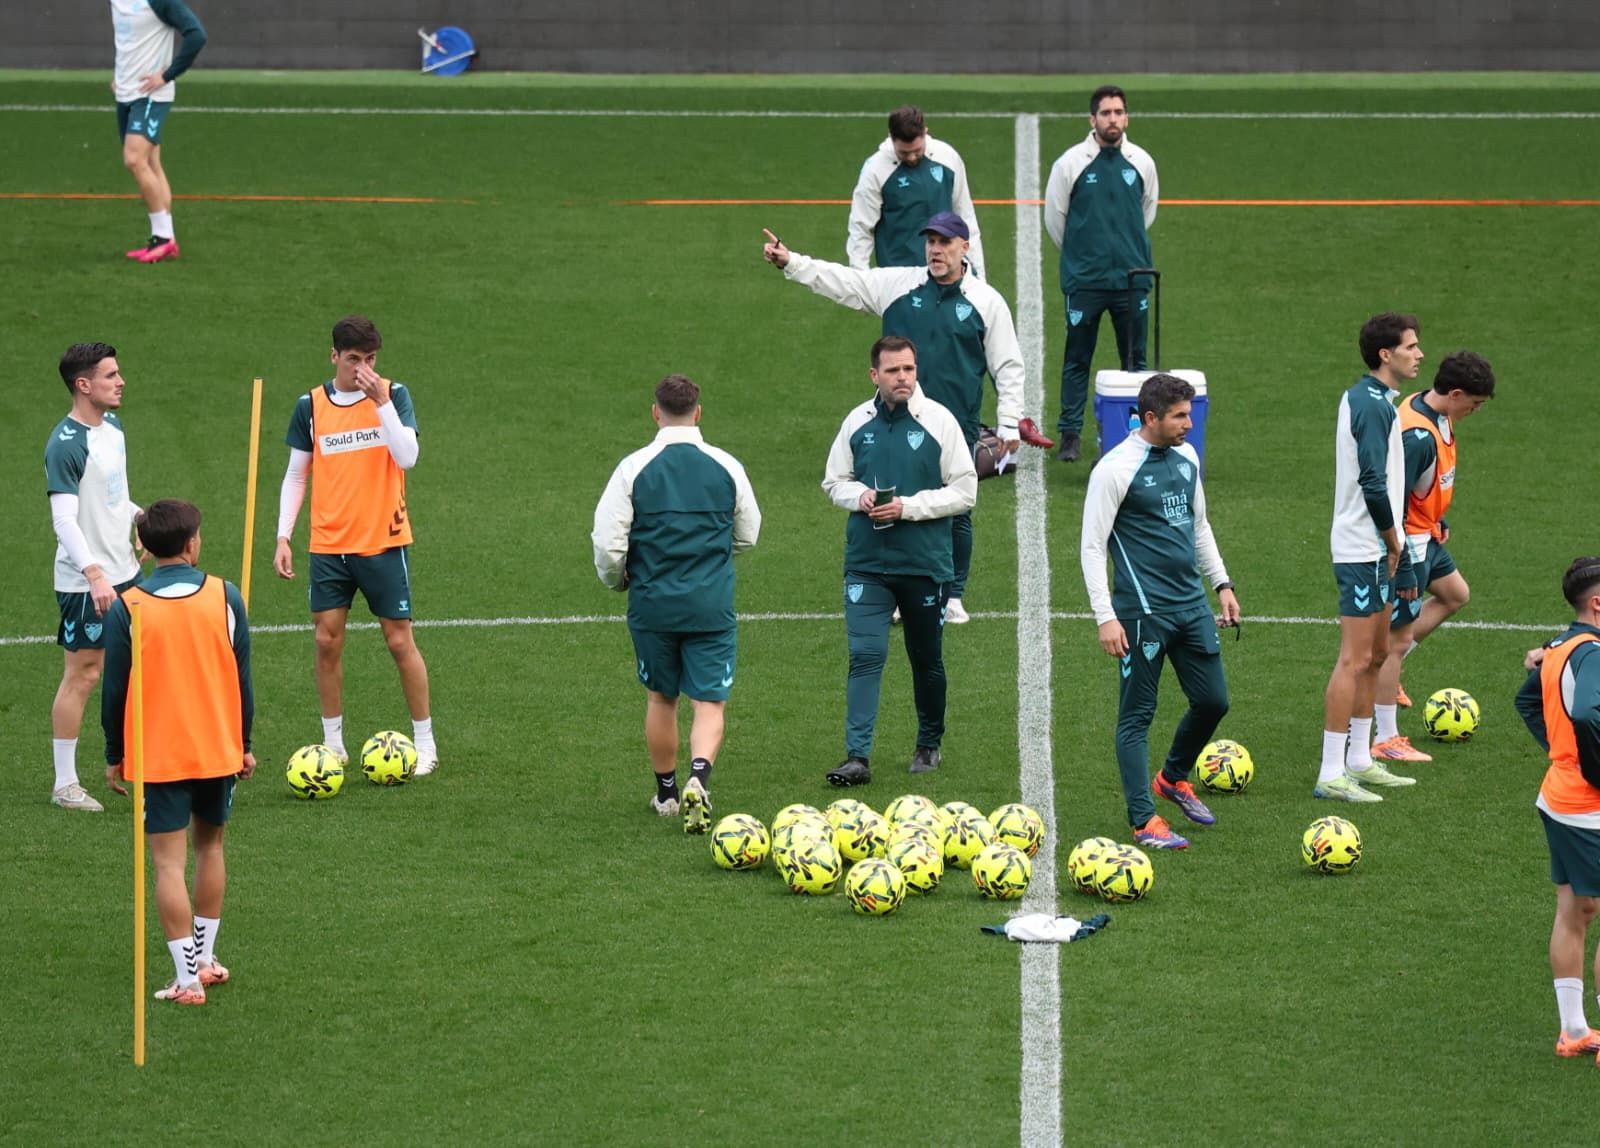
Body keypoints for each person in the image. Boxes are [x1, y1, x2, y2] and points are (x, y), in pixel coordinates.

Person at [763, 214, 1025, 623]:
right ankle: (903, 591)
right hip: (896, 417)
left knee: (956, 507)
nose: (936, 250)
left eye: (945, 242)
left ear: (965, 247)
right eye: (931, 242)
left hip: (956, 421)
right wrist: (792, 263)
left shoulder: (986, 302)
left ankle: (953, 594)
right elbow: (846, 283)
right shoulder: (899, 285)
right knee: (896, 499)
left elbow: (1007, 365)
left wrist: (1009, 423)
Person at [591, 374, 761, 833]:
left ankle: (667, 794)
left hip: (653, 606)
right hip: (711, 605)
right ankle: (699, 779)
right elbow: (748, 533)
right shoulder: (727, 465)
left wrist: (617, 579)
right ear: (698, 413)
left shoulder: (633, 468)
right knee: (709, 702)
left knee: (661, 698)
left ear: (656, 412)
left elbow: (609, 545)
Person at [101, 499, 254, 1005]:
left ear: (145, 548)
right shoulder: (225, 596)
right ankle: (206, 959)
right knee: (210, 848)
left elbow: (115, 690)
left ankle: (187, 978)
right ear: (191, 545)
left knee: (168, 866)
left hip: (159, 754)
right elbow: (243, 682)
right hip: (216, 747)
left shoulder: (129, 607)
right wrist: (244, 745)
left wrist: (114, 753)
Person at [1080, 373, 1239, 850]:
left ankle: (1171, 778)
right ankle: (1144, 821)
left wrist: (1222, 583)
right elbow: (1091, 547)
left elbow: (1199, 526)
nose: (1190, 423)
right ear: (1151, 418)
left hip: (1190, 605)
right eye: (1180, 416)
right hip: (1142, 613)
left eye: (1190, 414)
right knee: (1137, 716)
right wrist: (1104, 616)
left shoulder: (1188, 457)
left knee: (1214, 701)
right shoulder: (1114, 470)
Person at [273, 315, 438, 774]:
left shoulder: (394, 394)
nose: (363, 369)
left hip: (382, 543)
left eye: (370, 360)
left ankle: (425, 745)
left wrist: (381, 401)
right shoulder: (310, 406)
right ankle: (334, 746)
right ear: (334, 357)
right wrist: (283, 535)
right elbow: (295, 474)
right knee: (326, 642)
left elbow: (408, 457)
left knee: (399, 640)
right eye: (353, 360)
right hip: (328, 547)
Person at [821, 336, 977, 787]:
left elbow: (965, 491)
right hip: (866, 564)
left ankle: (929, 743)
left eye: (909, 369)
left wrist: (907, 507)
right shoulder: (857, 422)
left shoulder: (939, 422)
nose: (903, 377)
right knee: (865, 655)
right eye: (893, 371)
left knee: (925, 657)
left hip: (924, 564)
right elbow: (834, 482)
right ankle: (857, 757)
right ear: (875, 376)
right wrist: (860, 495)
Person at [1371, 350, 1496, 764]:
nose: (1474, 411)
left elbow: (1426, 490)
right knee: (1396, 639)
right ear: (1455, 393)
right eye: (1474, 404)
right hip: (1411, 545)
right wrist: (1403, 562)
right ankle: (1386, 737)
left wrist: (1437, 516)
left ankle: (1393, 674)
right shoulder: (1418, 438)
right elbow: (1393, 501)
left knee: (1455, 594)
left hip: (1428, 533)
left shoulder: (1435, 408)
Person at [1316, 313, 1421, 802]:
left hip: (1379, 547)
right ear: (1386, 354)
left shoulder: (1377, 400)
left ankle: (1360, 759)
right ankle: (1330, 772)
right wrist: (1393, 540)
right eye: (1411, 347)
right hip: (1364, 547)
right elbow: (1373, 482)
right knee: (1354, 659)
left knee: (1378, 655)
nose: (1419, 354)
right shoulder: (1371, 405)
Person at [44, 342, 144, 812]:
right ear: (84, 385)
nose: (121, 381)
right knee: (84, 673)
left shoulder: (115, 427)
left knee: (134, 667)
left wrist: (139, 517)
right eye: (111, 376)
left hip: (126, 571)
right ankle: (65, 784)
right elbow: (64, 521)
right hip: (89, 583)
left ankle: (135, 759)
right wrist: (94, 573)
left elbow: (112, 495)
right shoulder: (65, 445)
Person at [1043, 83, 1159, 463]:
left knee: (1135, 364)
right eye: (1106, 113)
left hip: (1132, 279)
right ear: (1092, 119)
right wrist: (1083, 256)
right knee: (1077, 357)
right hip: (1085, 281)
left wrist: (1125, 250)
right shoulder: (1071, 163)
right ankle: (1070, 434)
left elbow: (1146, 213)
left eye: (1119, 112)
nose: (1113, 119)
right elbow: (1055, 220)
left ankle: (1135, 432)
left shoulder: (1141, 161)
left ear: (1127, 117)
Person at [1514, 557, 1600, 1059]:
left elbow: (1528, 703)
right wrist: (1593, 768)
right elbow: (1590, 712)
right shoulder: (1591, 653)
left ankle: (1573, 1030)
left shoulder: (1559, 648)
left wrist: (1562, 752)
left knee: (1575, 909)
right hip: (1587, 803)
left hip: (1559, 797)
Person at [110, 0, 207, 263]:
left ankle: (163, 238)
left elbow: (197, 35)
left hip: (152, 95)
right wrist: (119, 75)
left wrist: (167, 76)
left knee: (134, 159)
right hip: (127, 93)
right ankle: (164, 239)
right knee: (151, 163)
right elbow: (126, 39)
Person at [847, 105, 987, 279]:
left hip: (948, 271)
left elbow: (965, 218)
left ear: (925, 132)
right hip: (899, 277)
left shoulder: (947, 157)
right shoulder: (875, 170)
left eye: (917, 151)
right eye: (904, 153)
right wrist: (860, 280)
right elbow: (861, 226)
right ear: (891, 138)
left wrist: (980, 275)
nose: (912, 157)